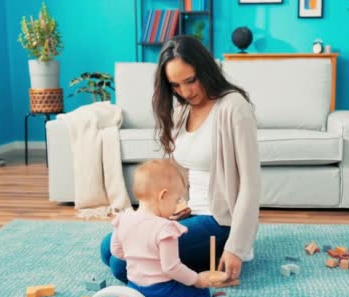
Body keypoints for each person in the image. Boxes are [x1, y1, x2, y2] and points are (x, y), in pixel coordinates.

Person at [101, 35, 260, 284]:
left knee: (122, 264)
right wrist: (168, 210)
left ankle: (217, 253)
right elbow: (178, 173)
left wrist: (236, 247)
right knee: (109, 248)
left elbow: (251, 184)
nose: (185, 92)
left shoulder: (233, 106)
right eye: (175, 85)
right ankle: (183, 260)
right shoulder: (182, 108)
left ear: (205, 70)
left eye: (190, 81)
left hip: (218, 221)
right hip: (184, 214)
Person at [110, 159, 212, 297]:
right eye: (177, 200)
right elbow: (171, 268)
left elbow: (116, 251)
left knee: (136, 290)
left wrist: (139, 258)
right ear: (163, 195)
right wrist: (196, 280)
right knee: (203, 294)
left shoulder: (123, 218)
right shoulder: (165, 229)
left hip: (134, 285)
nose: (178, 205)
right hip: (160, 291)